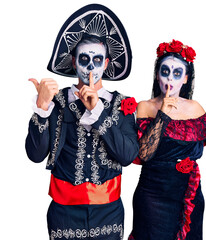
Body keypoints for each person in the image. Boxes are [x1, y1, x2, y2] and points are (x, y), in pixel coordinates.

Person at [25, 4, 139, 240]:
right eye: (84, 58)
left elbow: (128, 156)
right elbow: (35, 155)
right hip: (64, 214)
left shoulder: (123, 104)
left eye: (97, 60)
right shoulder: (56, 101)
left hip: (108, 213)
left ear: (106, 64)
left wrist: (98, 110)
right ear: (74, 62)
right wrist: (42, 107)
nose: (90, 66)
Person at [129, 39, 206, 240]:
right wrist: (162, 115)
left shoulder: (195, 108)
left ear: (185, 78)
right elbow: (144, 154)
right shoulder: (145, 106)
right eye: (165, 71)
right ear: (157, 75)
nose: (170, 79)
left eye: (177, 73)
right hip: (153, 196)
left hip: (187, 194)